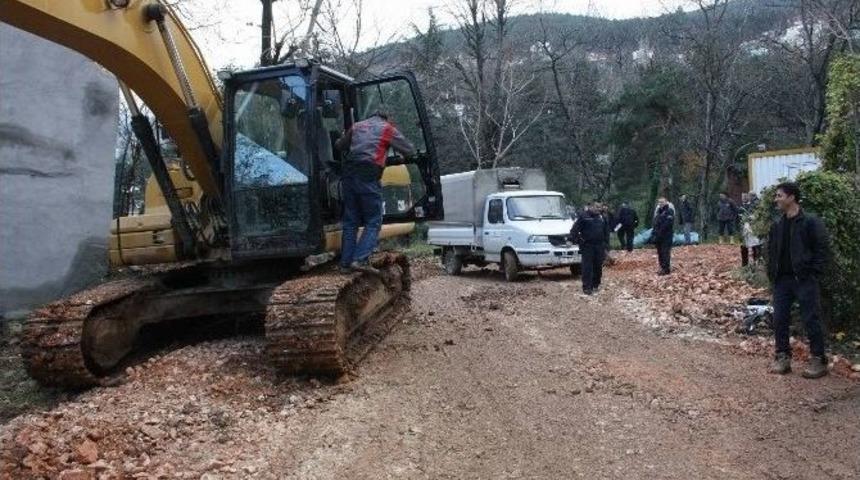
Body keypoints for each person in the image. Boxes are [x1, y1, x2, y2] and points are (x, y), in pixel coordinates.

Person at [334, 107, 415, 273]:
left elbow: (340, 146)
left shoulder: (357, 126)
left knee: (351, 221)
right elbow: (409, 150)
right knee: (373, 221)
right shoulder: (387, 128)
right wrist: (402, 158)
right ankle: (360, 259)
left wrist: (342, 136)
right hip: (368, 175)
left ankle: (345, 264)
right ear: (386, 118)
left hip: (348, 174)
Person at [766, 182, 831, 378]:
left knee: (811, 318)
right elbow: (771, 251)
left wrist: (813, 272)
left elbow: (822, 248)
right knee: (780, 319)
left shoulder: (810, 222)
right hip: (782, 281)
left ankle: (818, 359)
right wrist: (772, 274)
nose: (776, 199)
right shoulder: (777, 224)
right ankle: (782, 356)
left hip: (804, 279)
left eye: (779, 195)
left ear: (791, 197)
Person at [571, 201, 609, 295]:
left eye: (599, 207)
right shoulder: (583, 217)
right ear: (590, 207)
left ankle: (595, 284)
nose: (598, 209)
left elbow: (606, 232)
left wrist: (606, 246)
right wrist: (579, 241)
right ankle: (587, 287)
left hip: (599, 246)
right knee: (587, 267)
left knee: (598, 266)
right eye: (596, 207)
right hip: (587, 246)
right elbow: (574, 231)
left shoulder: (602, 218)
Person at [652, 197, 674, 275]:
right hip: (658, 237)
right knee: (660, 253)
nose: (660, 204)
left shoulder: (669, 211)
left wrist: (660, 232)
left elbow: (668, 224)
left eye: (662, 202)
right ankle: (661, 267)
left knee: (665, 252)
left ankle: (666, 269)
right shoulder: (658, 212)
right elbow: (655, 224)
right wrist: (654, 234)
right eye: (659, 202)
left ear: (666, 202)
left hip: (666, 236)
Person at [740, 192, 762, 266]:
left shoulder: (755, 204)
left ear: (751, 196)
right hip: (752, 226)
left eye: (748, 196)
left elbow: (755, 215)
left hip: (752, 227)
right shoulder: (753, 203)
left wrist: (749, 219)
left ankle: (746, 264)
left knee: (753, 245)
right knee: (754, 245)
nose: (747, 197)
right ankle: (755, 262)